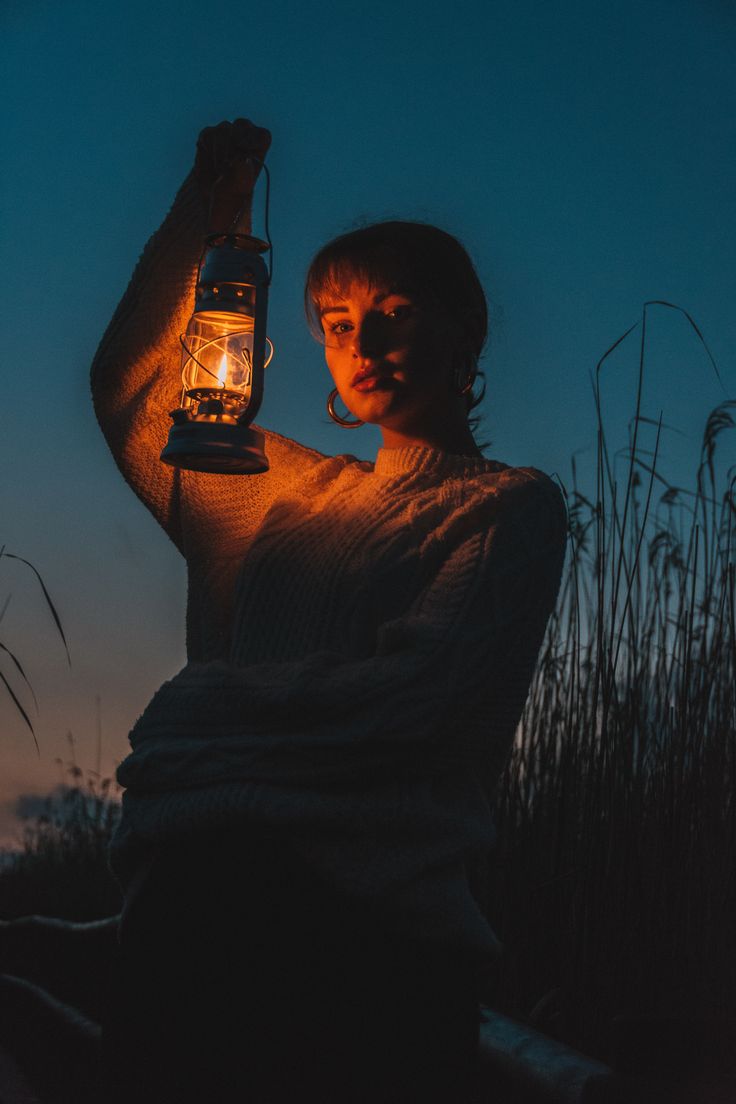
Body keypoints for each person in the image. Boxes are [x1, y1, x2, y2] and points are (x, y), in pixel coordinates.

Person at [92, 118, 567, 1103]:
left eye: (395, 312)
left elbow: (417, 707)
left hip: (370, 954)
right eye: (342, 327)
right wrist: (211, 218)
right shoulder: (276, 489)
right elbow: (128, 393)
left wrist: (198, 713)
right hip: (191, 921)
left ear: (463, 331)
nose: (368, 344)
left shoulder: (506, 508)